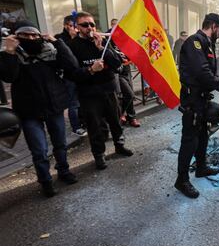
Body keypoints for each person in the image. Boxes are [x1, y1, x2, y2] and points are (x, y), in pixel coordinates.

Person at [0, 20, 82, 197]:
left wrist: (57, 42)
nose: (30, 38)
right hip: (29, 112)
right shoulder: (10, 54)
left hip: (54, 106)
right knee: (39, 150)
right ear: (16, 37)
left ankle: (64, 171)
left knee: (60, 143)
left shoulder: (50, 52)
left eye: (34, 35)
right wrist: (9, 51)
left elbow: (71, 65)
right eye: (25, 35)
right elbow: (8, 76)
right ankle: (45, 181)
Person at [175, 13, 219, 199]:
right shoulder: (195, 42)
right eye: (218, 31)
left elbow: (212, 73)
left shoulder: (207, 43)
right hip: (192, 99)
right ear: (213, 26)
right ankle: (181, 179)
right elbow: (202, 71)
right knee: (190, 139)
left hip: (202, 98)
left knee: (202, 133)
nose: (218, 36)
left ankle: (201, 167)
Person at [67, 12, 133, 170]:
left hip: (109, 90)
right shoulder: (72, 46)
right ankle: (99, 155)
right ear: (77, 27)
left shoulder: (102, 41)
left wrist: (102, 47)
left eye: (92, 24)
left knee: (115, 121)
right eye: (84, 25)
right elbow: (71, 74)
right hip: (89, 94)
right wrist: (90, 70)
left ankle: (119, 145)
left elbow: (118, 65)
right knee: (94, 126)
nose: (89, 28)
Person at [55, 15, 87, 137]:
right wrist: (73, 39)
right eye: (71, 25)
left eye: (75, 25)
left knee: (82, 101)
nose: (73, 28)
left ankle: (83, 121)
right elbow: (66, 57)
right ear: (65, 25)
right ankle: (76, 127)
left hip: (81, 73)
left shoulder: (80, 37)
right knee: (73, 103)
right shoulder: (59, 38)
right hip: (69, 76)